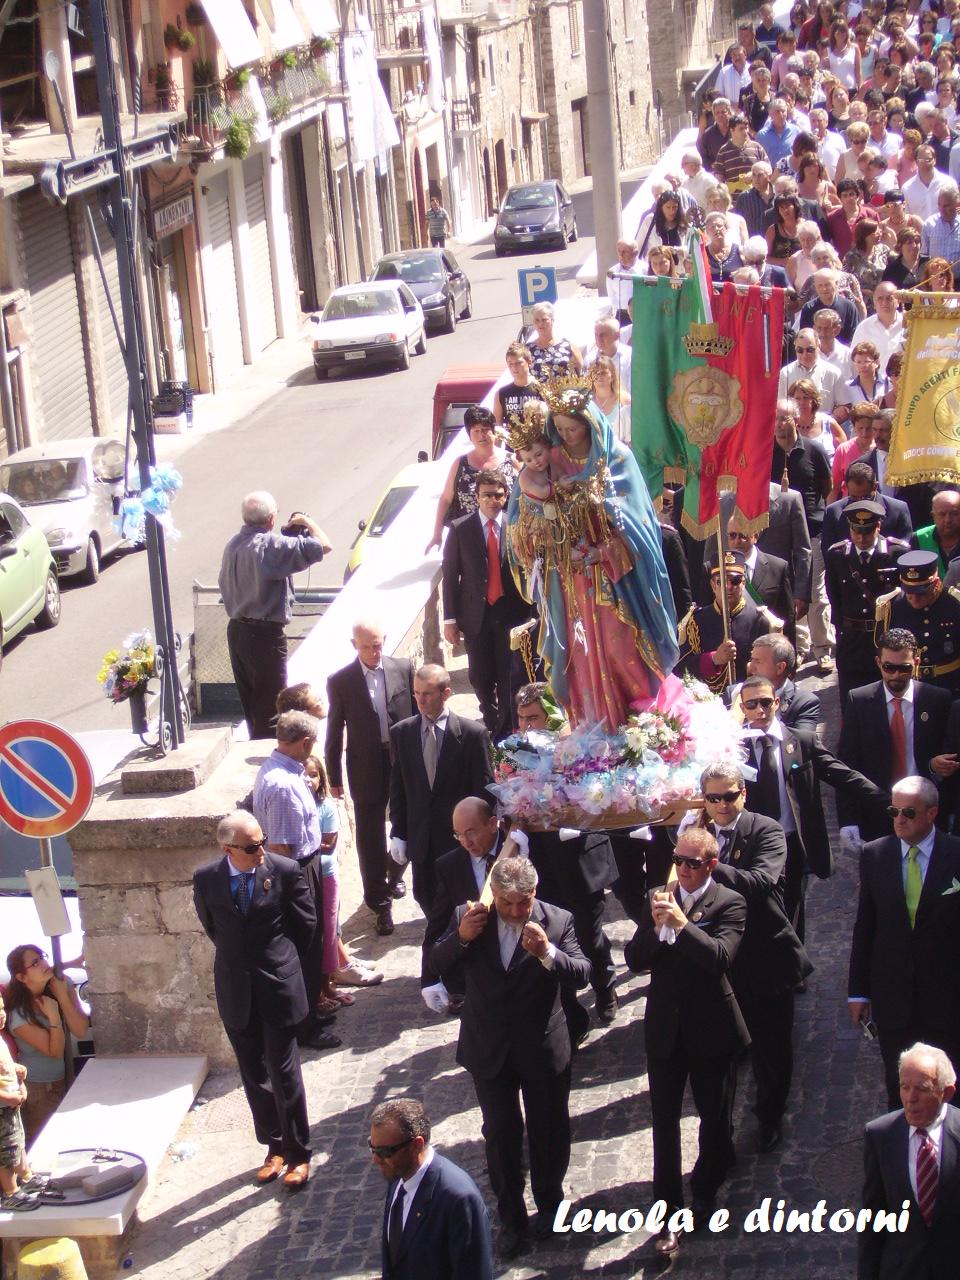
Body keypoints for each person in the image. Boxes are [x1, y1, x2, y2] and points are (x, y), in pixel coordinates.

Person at [430, 857, 591, 1258]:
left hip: (540, 1046)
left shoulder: (557, 921)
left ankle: (550, 1204)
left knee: (549, 1130)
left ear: (535, 894)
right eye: (507, 903)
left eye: (524, 902)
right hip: (490, 1048)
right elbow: (436, 962)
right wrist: (461, 938)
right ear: (494, 895)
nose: (517, 912)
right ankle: (512, 1219)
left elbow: (583, 972)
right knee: (500, 1135)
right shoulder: (470, 919)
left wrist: (547, 953)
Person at [506, 381, 678, 730]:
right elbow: (523, 513)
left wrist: (602, 549)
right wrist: (546, 530)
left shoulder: (617, 459)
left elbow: (639, 525)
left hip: (616, 582)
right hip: (571, 581)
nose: (566, 436)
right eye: (560, 429)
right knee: (581, 657)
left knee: (620, 652)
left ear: (590, 423)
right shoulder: (550, 459)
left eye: (573, 428)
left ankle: (639, 727)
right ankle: (593, 725)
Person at [624, 828, 748, 1258]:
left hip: (711, 1027)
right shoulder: (658, 898)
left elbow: (719, 958)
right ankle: (667, 1210)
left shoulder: (730, 903)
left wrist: (682, 925)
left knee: (713, 1118)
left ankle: (706, 1191)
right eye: (679, 860)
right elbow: (636, 961)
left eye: (692, 863)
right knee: (664, 1122)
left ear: (710, 865)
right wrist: (656, 929)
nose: (683, 870)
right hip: (665, 1028)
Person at [193, 811, 318, 1189]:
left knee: (283, 1073)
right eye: (251, 847)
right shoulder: (207, 880)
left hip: (277, 986)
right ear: (228, 848)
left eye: (262, 841)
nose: (261, 851)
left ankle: (299, 1153)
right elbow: (213, 927)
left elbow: (306, 925)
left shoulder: (284, 870)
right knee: (253, 1074)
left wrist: (284, 964)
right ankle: (274, 1146)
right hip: (235, 989)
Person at [693, 765, 812, 1152]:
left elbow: (760, 882)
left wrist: (708, 865)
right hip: (719, 960)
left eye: (729, 796)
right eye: (713, 798)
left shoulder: (766, 830)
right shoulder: (696, 834)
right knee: (722, 1053)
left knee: (771, 1050)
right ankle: (719, 1135)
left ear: (744, 793)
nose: (722, 805)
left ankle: (769, 1117)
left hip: (764, 954)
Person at [740, 673, 887, 939]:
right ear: (742, 709)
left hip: (793, 843)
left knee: (792, 914)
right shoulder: (734, 749)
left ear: (776, 702)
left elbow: (842, 775)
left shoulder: (801, 742)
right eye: (751, 705)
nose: (759, 710)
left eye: (765, 702)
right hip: (754, 845)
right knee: (760, 914)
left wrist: (887, 800)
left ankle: (795, 977)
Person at [509, 689, 619, 1032]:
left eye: (534, 718)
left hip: (580, 860)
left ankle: (604, 987)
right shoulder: (514, 752)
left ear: (551, 717)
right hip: (542, 863)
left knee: (590, 934)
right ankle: (571, 1012)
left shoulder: (579, 748)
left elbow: (597, 793)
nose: (527, 725)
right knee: (554, 938)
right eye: (522, 717)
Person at [848, 778, 960, 1109]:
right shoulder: (875, 855)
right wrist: (858, 991)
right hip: (894, 996)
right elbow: (865, 925)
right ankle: (903, 1151)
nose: (899, 819)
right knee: (900, 1086)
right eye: (894, 811)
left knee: (948, 1081)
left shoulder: (955, 854)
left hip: (946, 998)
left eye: (909, 812)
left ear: (932, 813)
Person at [325, 620, 415, 937]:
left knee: (409, 824)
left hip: (401, 760)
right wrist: (332, 775)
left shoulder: (403, 668)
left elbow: (417, 713)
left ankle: (395, 870)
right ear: (354, 645)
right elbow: (334, 730)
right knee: (369, 836)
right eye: (367, 646)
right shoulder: (341, 681)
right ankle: (380, 903)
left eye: (378, 645)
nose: (374, 652)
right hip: (365, 765)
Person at [219, 492, 332, 740]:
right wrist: (306, 522)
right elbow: (324, 545)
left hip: (237, 631)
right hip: (264, 636)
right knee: (273, 705)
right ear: (271, 519)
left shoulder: (233, 544)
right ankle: (269, 755)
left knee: (251, 704)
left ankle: (257, 747)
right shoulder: (269, 547)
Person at [388, 664, 493, 916]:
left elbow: (484, 790)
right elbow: (399, 787)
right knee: (430, 909)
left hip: (459, 845)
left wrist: (481, 837)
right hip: (422, 845)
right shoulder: (402, 734)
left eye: (427, 694)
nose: (420, 700)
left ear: (446, 693)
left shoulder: (472, 734)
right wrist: (398, 833)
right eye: (416, 693)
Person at [837, 628, 956, 844]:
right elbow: (847, 764)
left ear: (916, 662)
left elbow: (945, 753)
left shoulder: (937, 700)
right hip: (877, 809)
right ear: (878, 662)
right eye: (889, 667)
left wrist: (936, 767)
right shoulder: (860, 700)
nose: (896, 675)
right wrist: (848, 819)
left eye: (904, 668)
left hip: (925, 809)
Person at [443, 469, 533, 743]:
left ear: (506, 495)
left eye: (498, 494)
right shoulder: (461, 529)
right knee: (480, 677)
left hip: (511, 614)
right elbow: (450, 576)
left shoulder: (516, 527)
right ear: (477, 497)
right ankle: (490, 718)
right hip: (475, 616)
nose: (492, 500)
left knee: (509, 675)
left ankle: (503, 730)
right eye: (486, 495)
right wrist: (450, 620)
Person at [860, 1043, 960, 1280]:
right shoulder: (880, 1135)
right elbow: (873, 1218)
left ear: (946, 1093)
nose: (910, 1099)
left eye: (922, 1089)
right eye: (904, 1087)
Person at [370, 1098, 494, 1280]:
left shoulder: (458, 1199)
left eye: (384, 1152)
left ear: (416, 1145)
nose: (375, 1159)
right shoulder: (397, 1176)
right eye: (372, 1148)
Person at [825, 500, 909, 705]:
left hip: (886, 637)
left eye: (868, 531)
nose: (861, 538)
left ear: (878, 527)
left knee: (889, 699)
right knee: (852, 699)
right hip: (852, 639)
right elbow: (834, 595)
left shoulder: (896, 553)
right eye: (856, 531)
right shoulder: (837, 554)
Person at [771, 398, 834, 672]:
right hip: (780, 532)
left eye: (784, 418)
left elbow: (826, 485)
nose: (779, 425)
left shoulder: (813, 450)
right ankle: (799, 646)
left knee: (815, 591)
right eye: (775, 419)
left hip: (813, 530)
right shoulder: (767, 451)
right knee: (788, 591)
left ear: (796, 420)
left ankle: (824, 648)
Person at [4, 944, 90, 1142]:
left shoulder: (60, 986)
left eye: (42, 957)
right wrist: (53, 1015)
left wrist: (62, 996)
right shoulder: (19, 1015)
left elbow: (81, 1029)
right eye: (35, 962)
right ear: (21, 977)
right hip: (38, 1090)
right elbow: (55, 1051)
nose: (43, 962)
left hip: (63, 1080)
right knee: (45, 1143)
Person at [678, 550, 776, 691]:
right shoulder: (696, 621)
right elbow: (681, 668)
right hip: (707, 700)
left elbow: (771, 669)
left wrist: (752, 668)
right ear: (713, 585)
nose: (729, 587)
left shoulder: (759, 620)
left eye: (735, 581)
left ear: (743, 583)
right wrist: (713, 659)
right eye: (721, 581)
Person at [425, 407, 513, 554]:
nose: (482, 435)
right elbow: (446, 499)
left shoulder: (512, 461)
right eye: (476, 431)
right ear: (469, 435)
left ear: (494, 431)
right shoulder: (460, 464)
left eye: (485, 429)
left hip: (507, 539)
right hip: (470, 539)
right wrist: (437, 534)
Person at [878, 551, 960, 698]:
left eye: (921, 592)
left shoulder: (953, 604)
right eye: (909, 591)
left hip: (951, 686)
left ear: (935, 583)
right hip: (910, 689)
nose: (914, 598)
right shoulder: (892, 607)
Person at [726, 517, 795, 642]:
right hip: (730, 648)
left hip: (767, 645)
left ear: (755, 536)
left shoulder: (778, 567)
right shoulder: (716, 569)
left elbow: (787, 619)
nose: (737, 541)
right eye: (732, 535)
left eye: (743, 535)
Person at [821, 458, 914, 550]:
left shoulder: (897, 510)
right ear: (846, 487)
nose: (860, 503)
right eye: (854, 497)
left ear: (875, 486)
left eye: (865, 497)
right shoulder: (833, 513)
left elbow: (904, 552)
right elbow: (830, 556)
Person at [746, 633, 822, 729]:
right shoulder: (735, 693)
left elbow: (801, 740)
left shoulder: (804, 702)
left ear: (780, 667)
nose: (750, 668)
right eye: (751, 660)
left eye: (758, 661)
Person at [0, 990, 29, 1201]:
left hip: (12, 1102)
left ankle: (26, 1175)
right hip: (3, 1107)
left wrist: (17, 1070)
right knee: (6, 1151)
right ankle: (11, 1192)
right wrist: (7, 1097)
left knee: (18, 1141)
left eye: (2, 1008)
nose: (2, 1014)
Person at [778, 328, 843, 408]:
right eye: (800, 350)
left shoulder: (834, 373)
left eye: (810, 350)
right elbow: (780, 406)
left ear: (818, 346)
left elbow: (843, 405)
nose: (805, 354)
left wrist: (827, 420)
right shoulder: (785, 373)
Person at [524, 301, 583, 382]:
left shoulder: (568, 346)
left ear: (552, 320)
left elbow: (582, 374)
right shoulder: (527, 350)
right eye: (537, 320)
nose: (540, 323)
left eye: (544, 320)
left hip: (566, 393)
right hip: (538, 394)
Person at [911, 491, 960, 580]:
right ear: (933, 516)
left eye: (954, 514)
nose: (948, 520)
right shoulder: (919, 538)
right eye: (942, 514)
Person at [493, 343, 542, 425]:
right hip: (513, 437)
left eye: (518, 363)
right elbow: (497, 425)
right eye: (510, 364)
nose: (514, 368)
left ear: (529, 362)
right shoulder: (501, 393)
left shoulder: (541, 389)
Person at [606, 238, 643, 325]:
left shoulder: (645, 270)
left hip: (641, 314)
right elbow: (611, 296)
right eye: (619, 251)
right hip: (621, 316)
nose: (621, 255)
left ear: (635, 252)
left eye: (625, 252)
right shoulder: (612, 272)